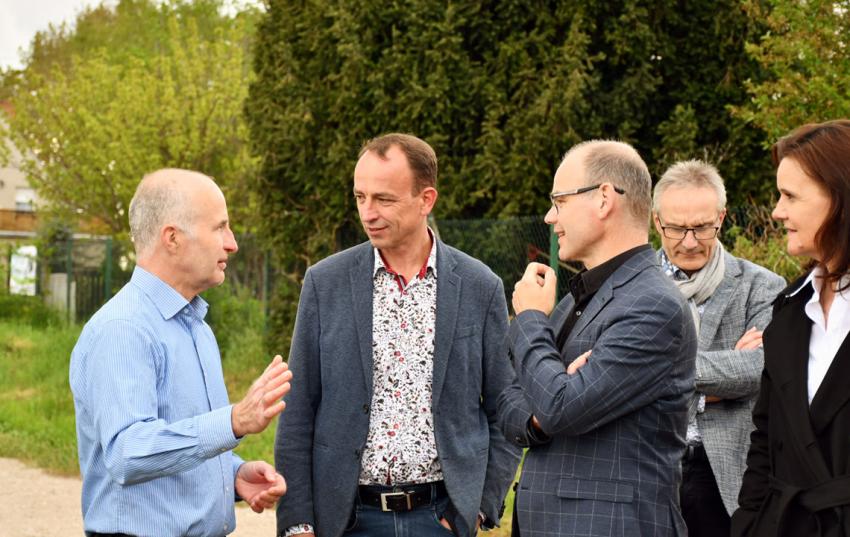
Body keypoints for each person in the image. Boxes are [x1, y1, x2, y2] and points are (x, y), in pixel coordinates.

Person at [274, 133, 521, 537]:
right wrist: (297, 522)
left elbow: (505, 410)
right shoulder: (325, 283)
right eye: (360, 198)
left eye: (384, 199)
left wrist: (477, 509)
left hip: (440, 519)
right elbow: (298, 409)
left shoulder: (480, 287)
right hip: (345, 520)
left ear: (426, 200)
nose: (368, 213)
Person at [69, 169, 293, 537]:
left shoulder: (197, 327)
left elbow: (178, 439)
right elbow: (128, 451)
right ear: (172, 238)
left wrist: (233, 474)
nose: (232, 243)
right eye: (219, 228)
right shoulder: (123, 329)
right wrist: (233, 421)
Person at [498, 140, 698, 537]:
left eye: (559, 201)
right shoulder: (578, 297)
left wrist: (531, 320)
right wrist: (542, 414)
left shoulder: (654, 306)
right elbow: (508, 398)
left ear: (604, 198)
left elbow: (558, 404)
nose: (550, 216)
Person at [652, 160, 786, 537]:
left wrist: (660, 371)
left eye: (702, 227)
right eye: (677, 228)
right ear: (657, 220)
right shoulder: (633, 287)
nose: (690, 241)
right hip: (649, 465)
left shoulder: (762, 286)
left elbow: (759, 369)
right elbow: (614, 375)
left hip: (729, 474)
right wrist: (713, 388)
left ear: (722, 218)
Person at [732, 120, 850, 537]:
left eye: (789, 196)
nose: (777, 211)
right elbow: (764, 445)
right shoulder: (788, 312)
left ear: (839, 198)